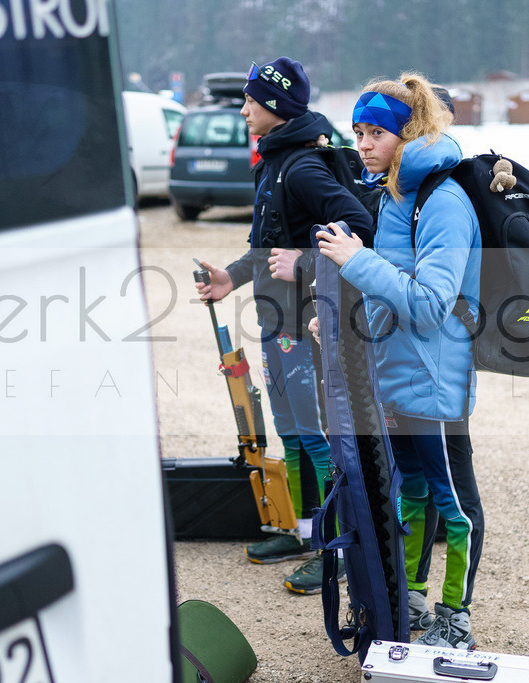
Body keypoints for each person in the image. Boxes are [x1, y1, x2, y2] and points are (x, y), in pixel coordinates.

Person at [313, 73, 484, 649]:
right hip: (400, 376)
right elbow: (393, 296)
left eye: (376, 132)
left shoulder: (444, 201)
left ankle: (455, 616)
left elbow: (432, 306)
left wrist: (357, 262)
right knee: (411, 490)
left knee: (453, 502)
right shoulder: (395, 196)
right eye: (358, 130)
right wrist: (340, 325)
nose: (361, 143)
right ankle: (409, 598)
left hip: (438, 380)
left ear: (408, 133)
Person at [196, 56, 374, 594]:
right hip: (276, 322)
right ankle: (302, 533)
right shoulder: (272, 160)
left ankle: (333, 549)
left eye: (251, 100)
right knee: (291, 431)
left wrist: (304, 262)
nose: (244, 108)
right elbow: (265, 246)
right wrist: (232, 277)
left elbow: (360, 227)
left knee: (317, 437)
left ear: (274, 107)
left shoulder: (302, 166)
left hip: (307, 323)